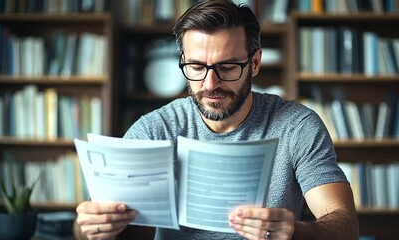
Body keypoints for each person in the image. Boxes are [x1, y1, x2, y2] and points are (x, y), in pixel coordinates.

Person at [74, 0, 359, 239]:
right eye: (196, 66)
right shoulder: (155, 129)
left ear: (255, 63)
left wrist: (294, 232)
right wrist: (89, 228)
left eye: (227, 67)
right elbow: (104, 226)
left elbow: (346, 226)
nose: (210, 83)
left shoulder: (298, 126)